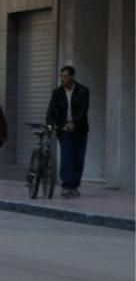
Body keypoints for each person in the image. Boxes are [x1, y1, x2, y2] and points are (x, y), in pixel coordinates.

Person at [46, 65, 90, 198]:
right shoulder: (57, 92)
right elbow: (51, 110)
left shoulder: (83, 91)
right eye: (61, 76)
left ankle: (74, 185)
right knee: (66, 156)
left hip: (80, 129)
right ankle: (66, 185)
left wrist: (73, 123)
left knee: (78, 157)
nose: (62, 79)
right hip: (63, 129)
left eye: (65, 76)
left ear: (72, 77)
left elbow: (83, 110)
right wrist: (49, 124)